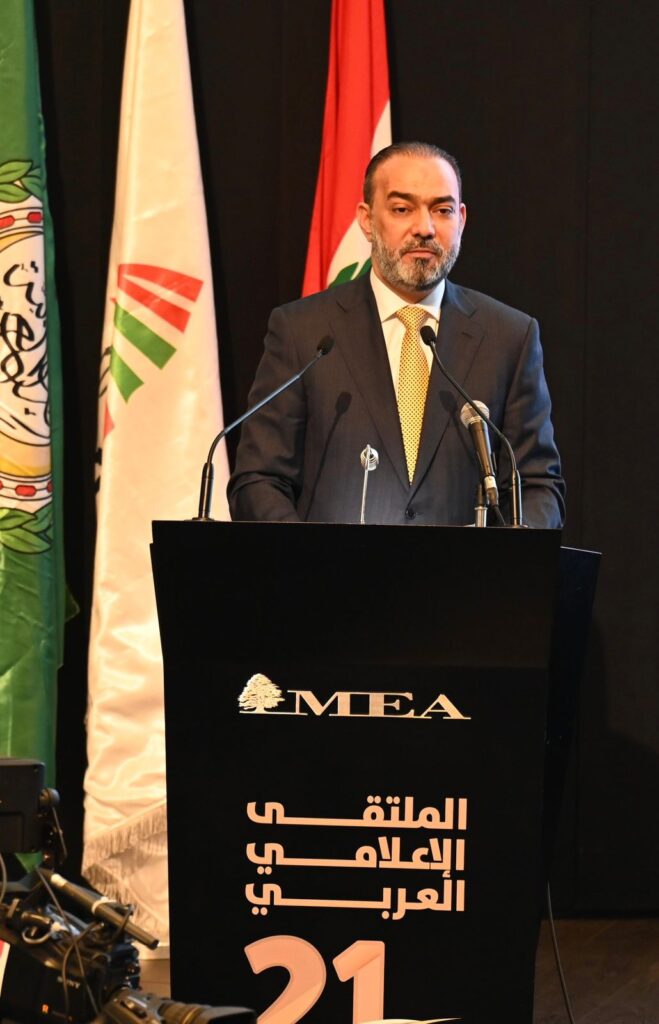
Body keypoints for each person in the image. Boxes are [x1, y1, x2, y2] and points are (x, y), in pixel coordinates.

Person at [227, 142, 565, 528]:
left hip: (464, 569)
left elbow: (538, 487)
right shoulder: (303, 332)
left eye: (442, 210)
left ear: (461, 219)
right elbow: (258, 480)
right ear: (367, 220)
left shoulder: (508, 337)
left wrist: (497, 555)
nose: (424, 228)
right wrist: (313, 557)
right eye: (402, 209)